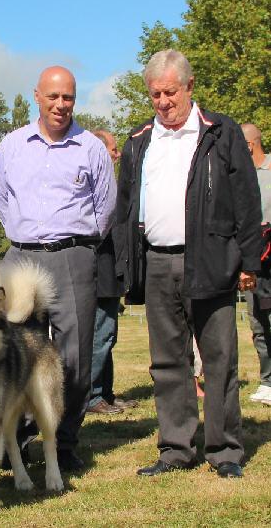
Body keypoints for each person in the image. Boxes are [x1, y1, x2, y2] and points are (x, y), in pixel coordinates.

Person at [115, 49, 260, 479]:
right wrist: (127, 266)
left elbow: (247, 202)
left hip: (212, 259)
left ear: (190, 87)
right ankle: (176, 447)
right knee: (166, 361)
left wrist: (249, 261)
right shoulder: (140, 141)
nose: (163, 101)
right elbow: (125, 208)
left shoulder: (222, 133)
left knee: (219, 358)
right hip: (158, 261)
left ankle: (225, 450)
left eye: (170, 92)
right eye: (155, 94)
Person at [0, 66, 116, 471]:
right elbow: (3, 198)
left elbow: (105, 208)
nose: (61, 105)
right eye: (53, 97)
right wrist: (24, 237)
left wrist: (75, 244)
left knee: (74, 356)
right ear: (37, 96)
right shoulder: (12, 145)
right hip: (22, 256)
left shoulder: (91, 147)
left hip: (73, 256)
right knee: (16, 354)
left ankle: (63, 444)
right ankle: (20, 441)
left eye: (68, 98)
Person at [87, 129, 138, 414]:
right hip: (99, 271)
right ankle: (92, 397)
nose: (117, 154)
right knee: (100, 334)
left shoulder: (112, 186)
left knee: (109, 335)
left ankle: (105, 391)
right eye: (113, 149)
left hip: (112, 272)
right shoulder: (95, 188)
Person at [241, 123, 271, 405]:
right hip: (254, 259)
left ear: (249, 145)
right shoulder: (240, 177)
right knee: (257, 321)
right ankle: (267, 380)